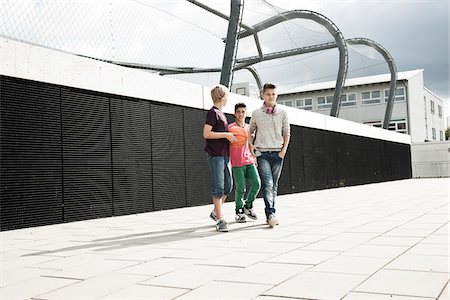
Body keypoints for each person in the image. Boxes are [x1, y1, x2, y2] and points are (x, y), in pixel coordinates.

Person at [248, 83, 290, 228]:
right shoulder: (256, 113)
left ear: (276, 95)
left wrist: (283, 150)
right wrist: (251, 146)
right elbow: (250, 131)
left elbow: (287, 133)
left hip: (278, 153)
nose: (271, 96)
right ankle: (270, 214)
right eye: (268, 94)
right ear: (263, 95)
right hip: (263, 153)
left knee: (274, 185)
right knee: (268, 184)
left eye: (273, 94)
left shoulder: (283, 113)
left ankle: (271, 213)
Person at [203, 84, 236, 232]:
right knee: (219, 187)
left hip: (224, 155)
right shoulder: (213, 113)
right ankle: (220, 220)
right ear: (222, 97)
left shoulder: (221, 113)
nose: (227, 99)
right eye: (227, 96)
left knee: (228, 186)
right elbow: (206, 133)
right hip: (215, 155)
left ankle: (216, 211)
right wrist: (226, 135)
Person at [228, 103, 261, 223]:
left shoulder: (249, 128)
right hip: (237, 162)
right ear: (235, 113)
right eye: (238, 112)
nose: (241, 114)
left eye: (243, 111)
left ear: (246, 113)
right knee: (241, 188)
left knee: (257, 184)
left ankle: (248, 205)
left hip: (250, 160)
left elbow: (252, 145)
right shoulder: (230, 128)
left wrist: (255, 158)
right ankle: (239, 211)